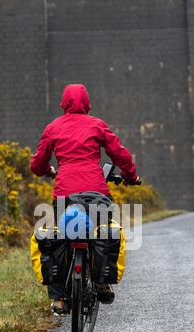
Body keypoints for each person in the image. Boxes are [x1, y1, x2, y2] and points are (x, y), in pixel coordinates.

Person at [30, 84, 139, 316]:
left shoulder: (53, 128)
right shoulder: (97, 125)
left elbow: (36, 164)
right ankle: (101, 282)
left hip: (64, 195)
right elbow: (120, 154)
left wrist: (48, 169)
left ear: (63, 103)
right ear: (87, 104)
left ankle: (59, 298)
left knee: (58, 237)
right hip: (96, 193)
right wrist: (131, 176)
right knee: (102, 231)